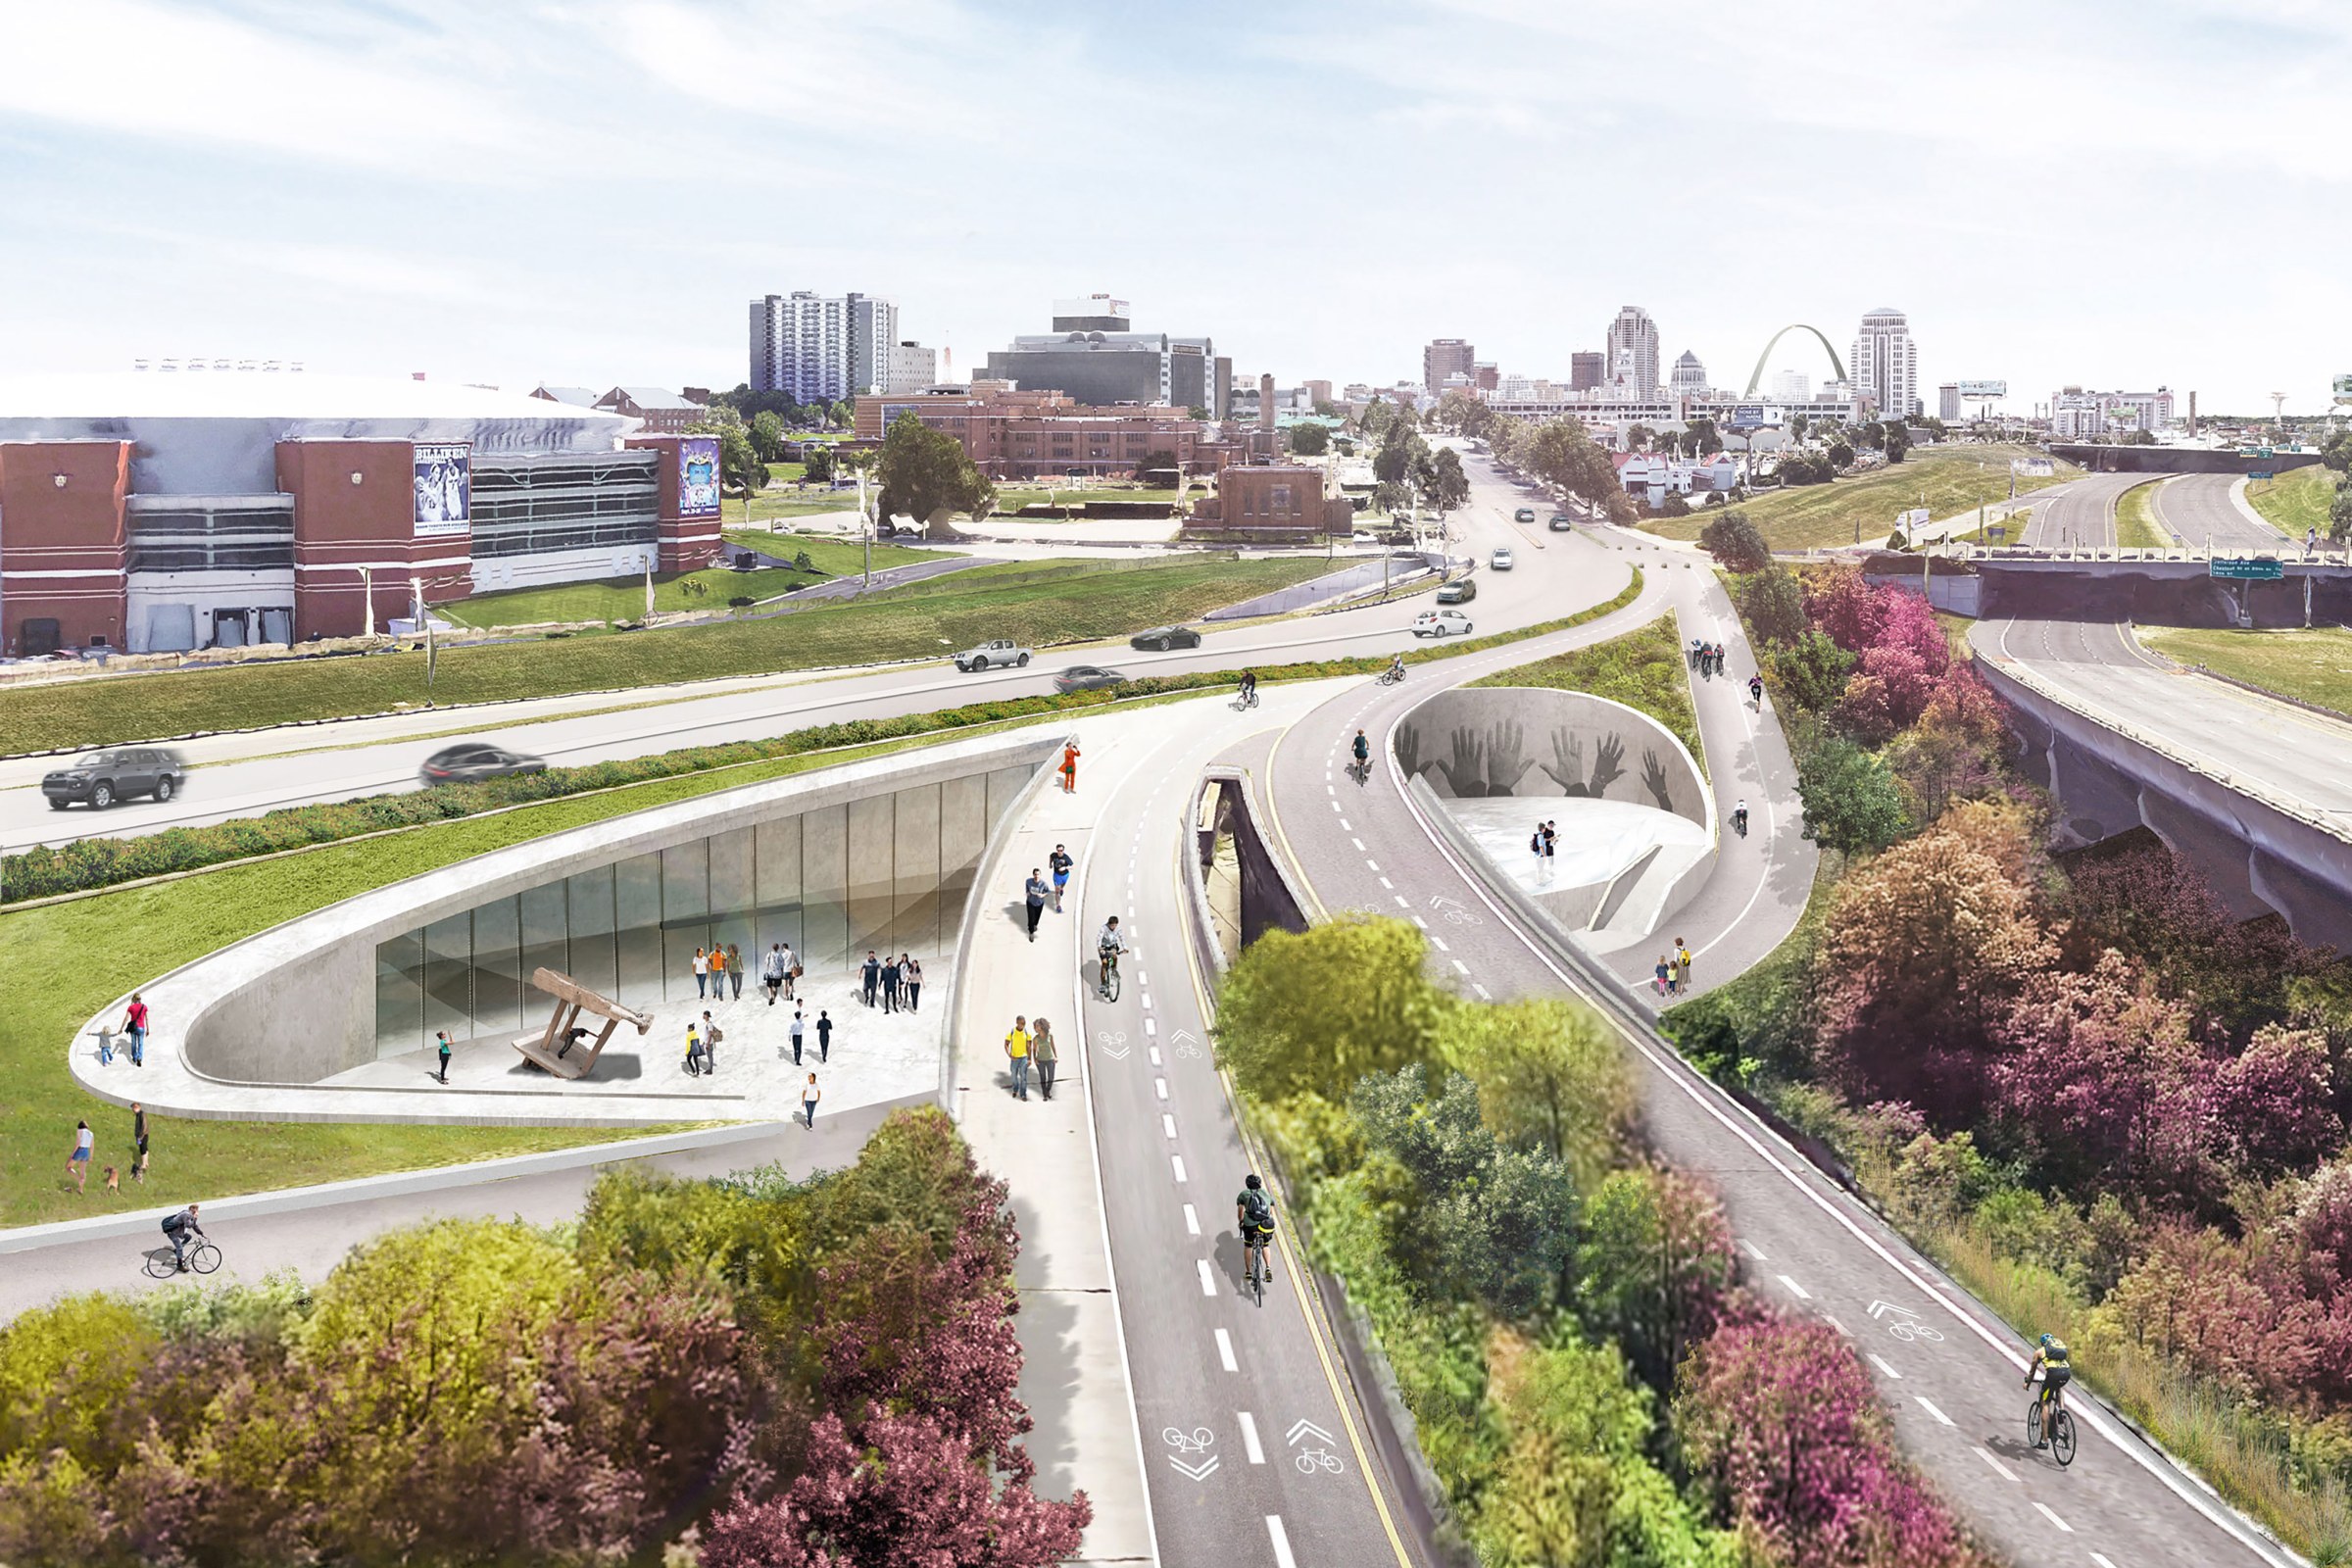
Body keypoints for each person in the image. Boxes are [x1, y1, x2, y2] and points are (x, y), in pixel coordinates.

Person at [2025, 1333, 2073, 1446]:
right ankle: (2061, 1411)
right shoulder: (2058, 1350)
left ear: (2042, 1343)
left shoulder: (2039, 1352)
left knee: (2045, 1403)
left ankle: (2044, 1440)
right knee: (2059, 1387)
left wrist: (2028, 1384)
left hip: (2053, 1375)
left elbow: (2032, 1372)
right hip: (2066, 1373)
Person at [1237, 1173, 1277, 1292]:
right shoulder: (1266, 1193)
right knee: (1265, 1245)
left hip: (1250, 1225)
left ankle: (1249, 1272)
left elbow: (1240, 1211)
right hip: (1265, 1225)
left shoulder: (1244, 1194)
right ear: (1260, 1184)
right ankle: (1268, 1268)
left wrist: (1241, 1221)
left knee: (1248, 1245)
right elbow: (1271, 1210)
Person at [161, 1202, 205, 1271]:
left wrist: (201, 1233)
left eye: (197, 1209)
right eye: (195, 1208)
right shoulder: (186, 1215)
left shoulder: (190, 1215)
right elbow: (188, 1225)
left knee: (188, 1237)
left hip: (178, 1232)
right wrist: (195, 1218)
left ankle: (176, 1251)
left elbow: (194, 1225)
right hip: (173, 1233)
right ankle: (180, 1266)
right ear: (191, 1208)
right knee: (180, 1248)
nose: (196, 1210)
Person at [1032, 1016, 1059, 1102]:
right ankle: (1045, 1095)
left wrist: (1056, 1056)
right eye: (1035, 1026)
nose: (1035, 1028)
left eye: (1037, 1026)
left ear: (1041, 1026)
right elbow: (1034, 1049)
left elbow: (1053, 1046)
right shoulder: (1036, 1038)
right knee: (1043, 1078)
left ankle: (1047, 1091)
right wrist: (1035, 1059)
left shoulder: (1050, 1036)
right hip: (1040, 1060)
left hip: (1050, 1059)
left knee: (1051, 1078)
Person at [1005, 1015, 1032, 1101]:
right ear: (1017, 1022)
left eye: (1024, 1023)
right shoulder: (1012, 1032)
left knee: (1023, 1076)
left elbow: (1029, 1047)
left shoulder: (1027, 1033)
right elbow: (1006, 1044)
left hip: (1024, 1058)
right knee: (1014, 1075)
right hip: (1014, 1058)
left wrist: (1029, 1059)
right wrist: (1009, 1054)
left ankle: (1023, 1094)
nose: (1023, 1024)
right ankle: (1015, 1089)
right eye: (1021, 1023)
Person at [122, 992, 149, 1067]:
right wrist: (148, 1029)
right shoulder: (144, 1007)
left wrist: (121, 1028)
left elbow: (126, 1018)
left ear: (133, 999)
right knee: (140, 1043)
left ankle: (134, 1057)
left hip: (133, 1028)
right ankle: (140, 1058)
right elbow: (146, 1019)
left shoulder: (131, 1007)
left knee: (134, 1043)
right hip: (141, 1027)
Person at [67, 1118, 93, 1194]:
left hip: (80, 1150)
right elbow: (92, 1146)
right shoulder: (91, 1134)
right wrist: (91, 1157)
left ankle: (79, 1180)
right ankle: (81, 1189)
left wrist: (72, 1153)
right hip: (86, 1152)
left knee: (68, 1167)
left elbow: (78, 1143)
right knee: (83, 1171)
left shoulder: (80, 1131)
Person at [1024, 869, 1049, 941]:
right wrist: (1027, 892)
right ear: (1033, 875)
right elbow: (1027, 889)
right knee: (1031, 918)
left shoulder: (1043, 884)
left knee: (1036, 918)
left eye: (1038, 874)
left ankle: (1034, 925)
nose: (1036, 876)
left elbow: (1047, 892)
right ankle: (1031, 932)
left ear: (1040, 875)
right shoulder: (1028, 881)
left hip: (1039, 903)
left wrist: (1042, 895)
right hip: (1030, 902)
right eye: (1035, 874)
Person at [1050, 844, 1073, 911]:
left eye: (1061, 850)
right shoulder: (1054, 855)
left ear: (1063, 850)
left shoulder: (1066, 858)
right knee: (1057, 891)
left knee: (1062, 886)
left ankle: (1062, 888)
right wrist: (1050, 864)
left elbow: (1072, 866)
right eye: (1058, 850)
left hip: (1065, 875)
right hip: (1057, 875)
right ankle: (1058, 905)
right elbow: (1051, 856)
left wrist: (1065, 868)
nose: (1060, 852)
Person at [131, 1102, 148, 1184]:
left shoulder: (142, 1114)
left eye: (133, 1108)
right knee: (145, 1148)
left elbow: (144, 1126)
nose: (133, 1111)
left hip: (143, 1135)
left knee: (143, 1149)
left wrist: (140, 1137)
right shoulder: (138, 1115)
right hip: (140, 1135)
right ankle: (146, 1162)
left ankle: (144, 1163)